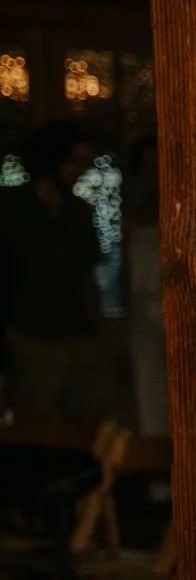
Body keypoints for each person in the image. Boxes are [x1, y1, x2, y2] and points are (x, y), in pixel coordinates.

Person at [0, 120, 106, 424]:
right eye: (73, 161)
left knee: (85, 423)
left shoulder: (77, 209)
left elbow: (88, 272)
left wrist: (95, 328)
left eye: (84, 163)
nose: (79, 170)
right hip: (32, 336)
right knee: (37, 426)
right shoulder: (13, 207)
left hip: (78, 335)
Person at [124, 134, 169, 438]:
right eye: (147, 165)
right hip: (144, 308)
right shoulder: (132, 204)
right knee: (150, 392)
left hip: (173, 305)